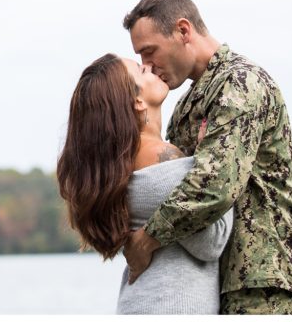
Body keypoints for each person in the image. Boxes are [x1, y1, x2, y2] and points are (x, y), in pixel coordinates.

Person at [121, 0, 292, 314]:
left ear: (183, 31)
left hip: (266, 279)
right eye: (140, 57)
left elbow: (214, 185)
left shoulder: (241, 83)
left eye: (149, 51)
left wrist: (147, 239)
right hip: (222, 281)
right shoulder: (187, 105)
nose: (147, 66)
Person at [56, 53, 234, 314]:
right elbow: (213, 241)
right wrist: (218, 156)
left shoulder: (123, 167)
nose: (150, 65)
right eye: (141, 70)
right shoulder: (163, 162)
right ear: (137, 101)